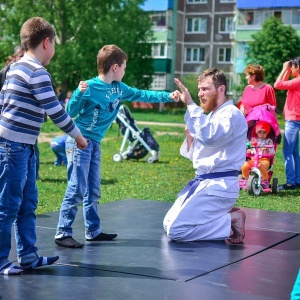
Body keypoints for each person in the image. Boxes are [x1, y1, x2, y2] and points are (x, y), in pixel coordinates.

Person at [54, 44, 179, 248]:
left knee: (93, 189)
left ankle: (92, 231)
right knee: (77, 187)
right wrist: (77, 92)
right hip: (79, 141)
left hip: (94, 143)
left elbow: (143, 95)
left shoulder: (119, 88)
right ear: (114, 67)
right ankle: (62, 232)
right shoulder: (90, 87)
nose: (125, 70)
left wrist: (168, 96)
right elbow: (70, 111)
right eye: (124, 66)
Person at [0, 17, 87, 276]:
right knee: (7, 206)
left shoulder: (15, 68)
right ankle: (2, 260)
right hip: (12, 148)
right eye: (54, 45)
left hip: (24, 147)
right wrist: (79, 137)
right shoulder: (37, 72)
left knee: (27, 203)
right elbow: (57, 113)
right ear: (47, 43)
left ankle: (28, 256)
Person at [163, 69, 248, 243]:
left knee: (176, 230)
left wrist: (190, 105)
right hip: (205, 183)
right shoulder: (212, 116)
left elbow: (210, 137)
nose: (200, 94)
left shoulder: (231, 113)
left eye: (205, 89)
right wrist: (190, 137)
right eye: (199, 89)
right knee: (167, 223)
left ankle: (230, 220)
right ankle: (227, 217)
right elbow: (198, 156)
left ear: (221, 89)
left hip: (220, 187)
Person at [274, 58, 300, 191]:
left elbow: (277, 85)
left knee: (287, 151)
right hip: (296, 120)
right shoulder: (297, 81)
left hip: (293, 120)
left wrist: (285, 69)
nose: (292, 69)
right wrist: (289, 70)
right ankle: (297, 180)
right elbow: (283, 84)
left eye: (294, 67)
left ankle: (290, 183)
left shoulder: (297, 81)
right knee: (295, 151)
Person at [241, 121, 274, 189]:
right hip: (253, 160)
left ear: (267, 132)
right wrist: (249, 150)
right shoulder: (253, 140)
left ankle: (265, 180)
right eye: (260, 132)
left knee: (262, 167)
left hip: (264, 160)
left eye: (264, 132)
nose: (262, 134)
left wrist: (267, 150)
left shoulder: (269, 141)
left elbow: (272, 151)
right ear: (256, 132)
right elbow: (249, 147)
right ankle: (246, 178)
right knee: (244, 166)